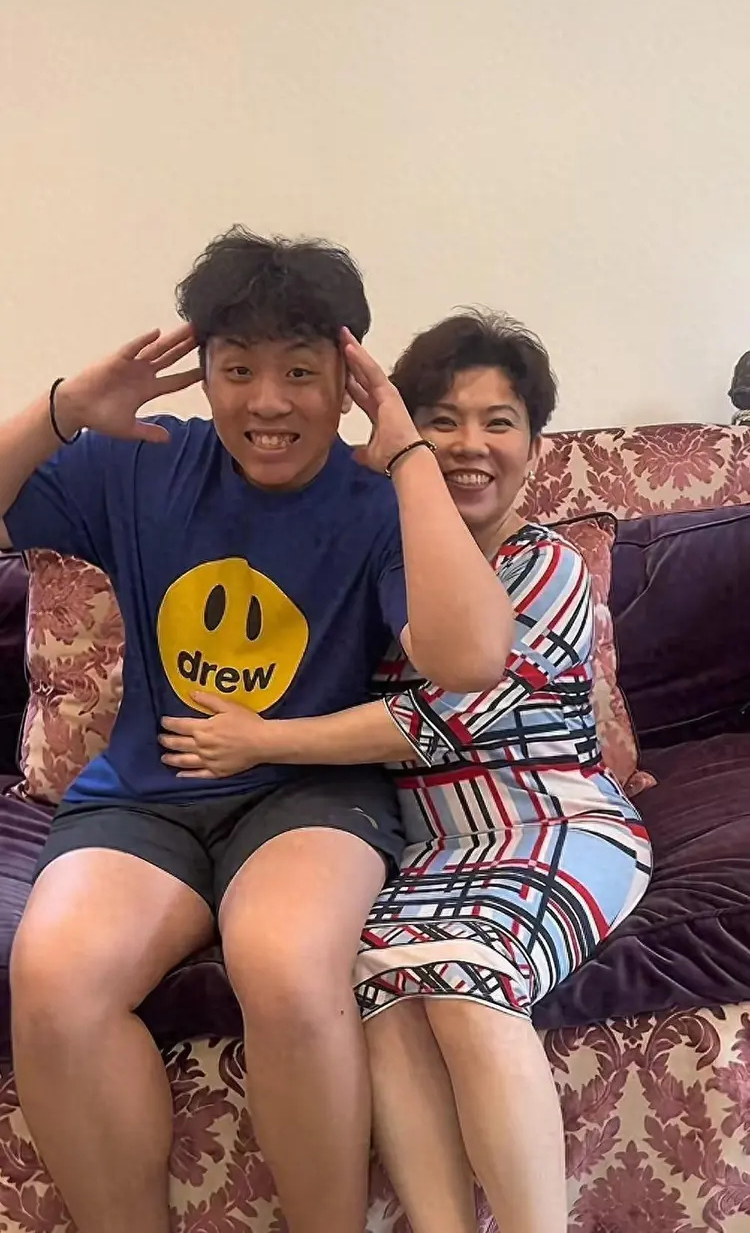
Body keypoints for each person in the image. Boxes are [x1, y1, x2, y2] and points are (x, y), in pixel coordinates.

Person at [2, 237, 515, 1233]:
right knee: (54, 982)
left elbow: (471, 658)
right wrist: (66, 407)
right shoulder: (144, 459)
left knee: (283, 964)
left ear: (347, 379)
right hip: (144, 796)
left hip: (309, 793)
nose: (267, 402)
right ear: (204, 374)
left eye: (300, 373)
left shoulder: (378, 499)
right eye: (238, 370)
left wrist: (409, 453)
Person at [163, 310, 653, 1233]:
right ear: (403, 437)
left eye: (498, 422)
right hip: (428, 851)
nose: (469, 446)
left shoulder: (546, 565)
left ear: (534, 447)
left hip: (553, 824)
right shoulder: (384, 564)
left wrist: (260, 739)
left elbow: (442, 720)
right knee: (380, 988)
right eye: (440, 420)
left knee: (465, 979)